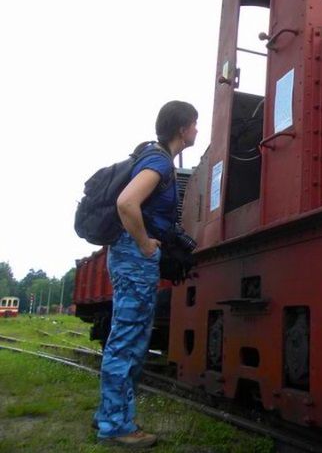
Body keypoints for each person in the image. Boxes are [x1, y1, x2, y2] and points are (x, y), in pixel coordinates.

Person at [94, 101, 198, 447]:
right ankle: (115, 426)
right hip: (134, 256)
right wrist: (145, 244)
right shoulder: (158, 161)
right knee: (127, 341)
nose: (197, 131)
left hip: (130, 256)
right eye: (194, 125)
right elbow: (127, 202)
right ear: (182, 129)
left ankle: (111, 416)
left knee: (130, 340)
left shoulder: (156, 158)